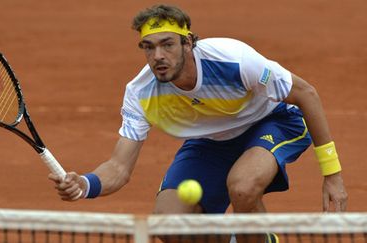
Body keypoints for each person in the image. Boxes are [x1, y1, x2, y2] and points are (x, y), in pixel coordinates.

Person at [49, 4, 348, 243]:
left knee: (243, 186)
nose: (158, 56)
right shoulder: (140, 93)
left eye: (167, 44)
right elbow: (119, 168)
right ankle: (252, 237)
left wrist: (332, 173)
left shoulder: (234, 59)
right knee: (169, 225)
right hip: (212, 141)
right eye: (148, 47)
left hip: (272, 121)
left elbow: (306, 93)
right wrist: (85, 184)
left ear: (188, 42)